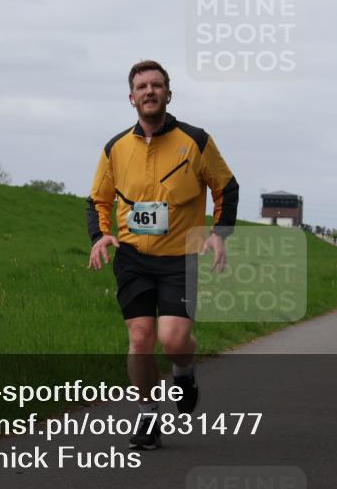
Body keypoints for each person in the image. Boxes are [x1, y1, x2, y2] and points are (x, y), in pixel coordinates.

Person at [87, 60, 239, 451]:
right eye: (142, 86)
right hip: (133, 256)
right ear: (131, 97)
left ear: (168, 94)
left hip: (178, 257)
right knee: (140, 338)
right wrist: (100, 235)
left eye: (157, 85)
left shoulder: (196, 141)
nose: (149, 91)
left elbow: (226, 188)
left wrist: (220, 233)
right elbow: (98, 200)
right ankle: (147, 415)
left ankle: (184, 372)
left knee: (173, 340)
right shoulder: (115, 147)